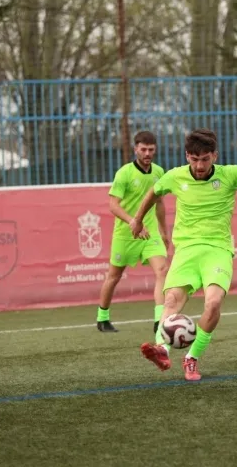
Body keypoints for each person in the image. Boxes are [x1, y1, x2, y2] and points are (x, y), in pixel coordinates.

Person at [129, 129, 237, 381]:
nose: (199, 165)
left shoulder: (230, 174)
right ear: (187, 156)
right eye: (194, 159)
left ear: (214, 156)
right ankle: (162, 349)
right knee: (171, 300)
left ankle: (192, 357)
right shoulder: (175, 176)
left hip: (217, 251)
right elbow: (153, 192)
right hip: (186, 251)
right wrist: (138, 219)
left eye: (205, 159)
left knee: (213, 303)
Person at [96, 130, 170, 333]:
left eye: (151, 150)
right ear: (135, 149)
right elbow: (113, 205)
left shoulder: (159, 172)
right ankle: (102, 318)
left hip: (150, 233)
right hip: (126, 234)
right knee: (114, 276)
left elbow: (160, 203)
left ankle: (159, 321)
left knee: (163, 271)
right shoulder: (124, 173)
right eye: (143, 149)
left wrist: (164, 232)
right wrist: (133, 222)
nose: (147, 153)